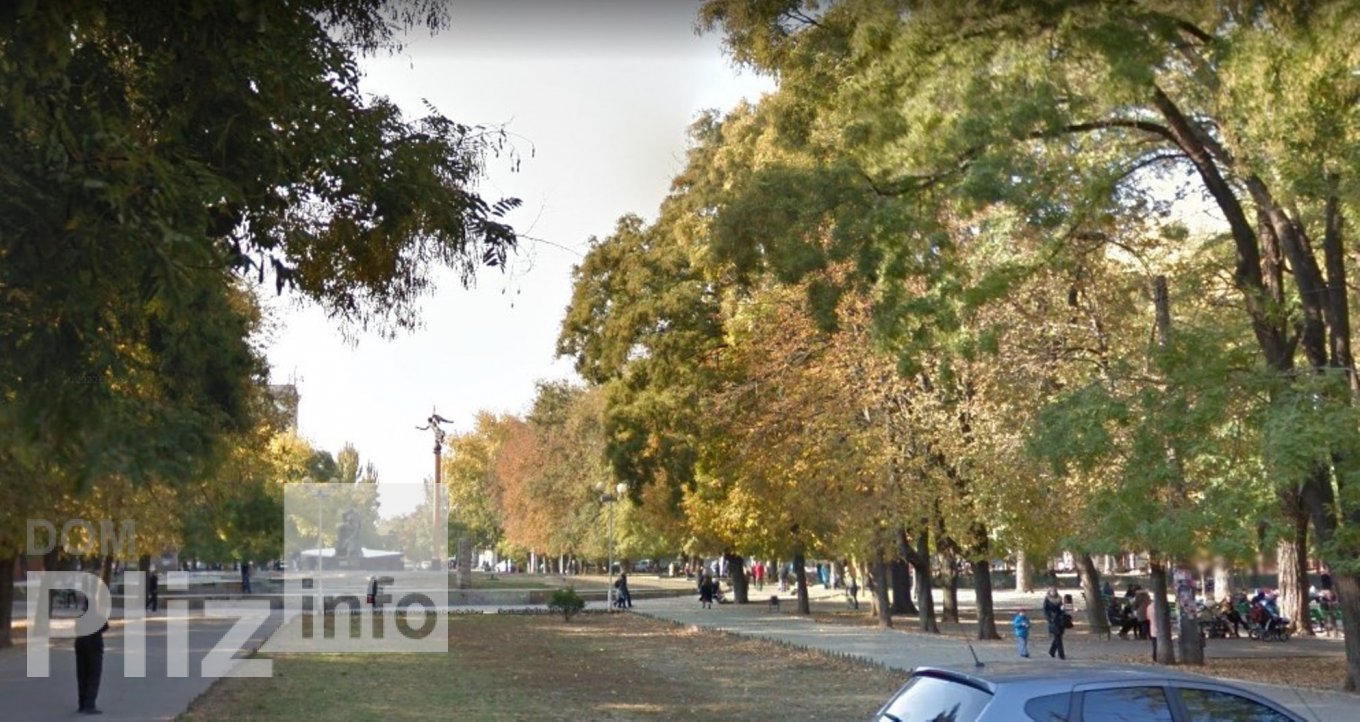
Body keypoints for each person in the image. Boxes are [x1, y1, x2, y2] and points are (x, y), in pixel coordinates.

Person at [75, 618, 110, 714]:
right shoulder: (99, 617)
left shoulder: (80, 618)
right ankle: (89, 704)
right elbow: (105, 627)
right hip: (94, 646)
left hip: (81, 645)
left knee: (82, 676)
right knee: (94, 676)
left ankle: (82, 704)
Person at [1044, 588, 1066, 660]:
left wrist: (1062, 609)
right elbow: (1046, 610)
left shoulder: (1059, 598)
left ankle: (1052, 651)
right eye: (1052, 591)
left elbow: (1062, 609)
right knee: (1058, 637)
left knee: (1058, 637)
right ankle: (1061, 654)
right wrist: (1049, 619)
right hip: (1053, 620)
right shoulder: (1047, 599)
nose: (1053, 592)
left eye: (1055, 591)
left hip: (1060, 620)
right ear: (1049, 592)